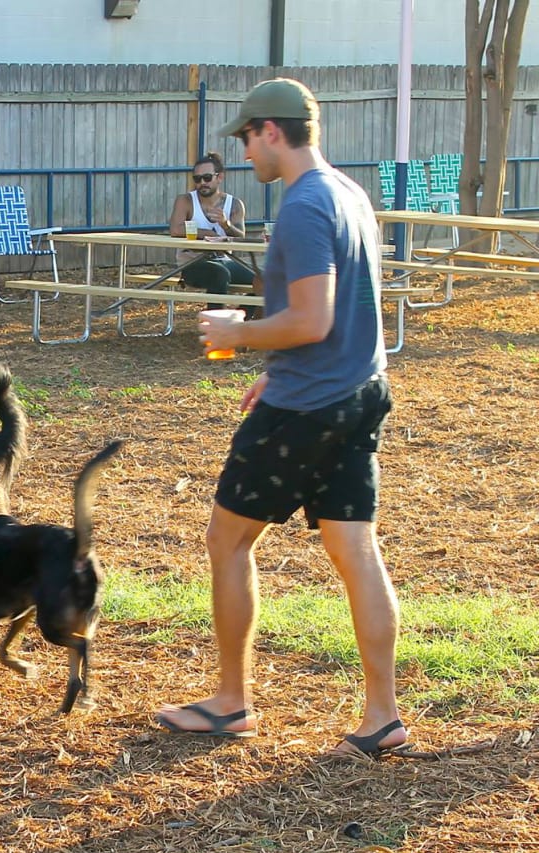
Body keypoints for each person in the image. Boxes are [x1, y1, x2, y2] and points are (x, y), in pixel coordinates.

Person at [156, 78, 408, 760]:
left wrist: (238, 332)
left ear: (272, 130)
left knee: (228, 541)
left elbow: (312, 318)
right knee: (355, 549)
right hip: (359, 389)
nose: (244, 152)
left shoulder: (301, 207)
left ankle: (231, 702)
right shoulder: (349, 194)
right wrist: (279, 363)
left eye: (245, 137)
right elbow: (353, 311)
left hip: (306, 408)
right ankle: (382, 717)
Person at [168, 152, 255, 305]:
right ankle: (214, 325)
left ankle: (244, 319)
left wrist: (226, 225)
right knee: (220, 274)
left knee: (263, 278)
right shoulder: (186, 200)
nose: (202, 183)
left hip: (225, 260)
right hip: (191, 264)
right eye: (197, 179)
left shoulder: (234, 204)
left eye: (207, 178)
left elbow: (241, 238)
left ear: (219, 177)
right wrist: (207, 233)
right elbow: (176, 229)